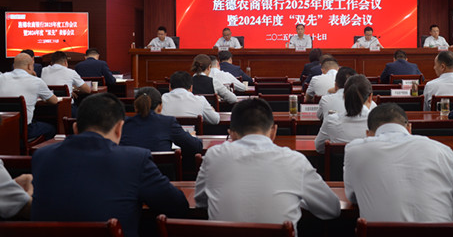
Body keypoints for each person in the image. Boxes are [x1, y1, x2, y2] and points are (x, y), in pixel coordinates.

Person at [31, 93, 189, 237]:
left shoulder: (42, 156)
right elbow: (177, 205)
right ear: (120, 129)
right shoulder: (134, 160)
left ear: (75, 128)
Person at [195, 98, 340, 231]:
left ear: (231, 134)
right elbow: (332, 209)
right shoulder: (295, 161)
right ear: (274, 132)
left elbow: (200, 202)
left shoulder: (213, 156)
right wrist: (296, 198)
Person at [344, 103, 453, 222]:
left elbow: (353, 197)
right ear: (409, 128)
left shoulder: (354, 150)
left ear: (368, 134)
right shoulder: (441, 150)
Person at [120, 86, 204, 153]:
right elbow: (196, 146)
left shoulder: (124, 124)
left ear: (135, 106)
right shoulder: (168, 123)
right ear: (160, 107)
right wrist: (189, 136)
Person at [0, 53, 59, 140]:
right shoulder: (36, 81)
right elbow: (54, 101)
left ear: (14, 65)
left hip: (3, 127)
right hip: (25, 129)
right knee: (51, 129)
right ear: (29, 66)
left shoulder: (1, 78)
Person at [314, 74, 376, 153]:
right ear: (370, 97)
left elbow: (319, 147)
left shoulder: (331, 121)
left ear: (344, 96)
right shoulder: (378, 123)